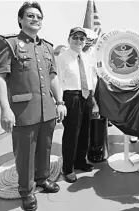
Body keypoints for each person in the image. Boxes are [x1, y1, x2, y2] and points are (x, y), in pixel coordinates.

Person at [0, 2, 66, 211]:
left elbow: (52, 77)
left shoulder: (48, 47)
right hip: (23, 111)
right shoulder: (8, 43)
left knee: (45, 148)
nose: (35, 19)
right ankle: (26, 191)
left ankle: (42, 179)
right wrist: (5, 109)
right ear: (20, 20)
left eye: (39, 17)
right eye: (30, 16)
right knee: (25, 154)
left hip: (48, 110)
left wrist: (60, 102)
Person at [56, 27, 97, 183]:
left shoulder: (86, 57)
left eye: (82, 38)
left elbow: (92, 78)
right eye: (75, 38)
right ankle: (68, 168)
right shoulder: (62, 57)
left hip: (86, 96)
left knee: (85, 131)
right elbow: (58, 81)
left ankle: (80, 161)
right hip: (71, 97)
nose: (79, 41)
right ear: (69, 39)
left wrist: (92, 99)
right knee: (71, 134)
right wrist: (59, 102)